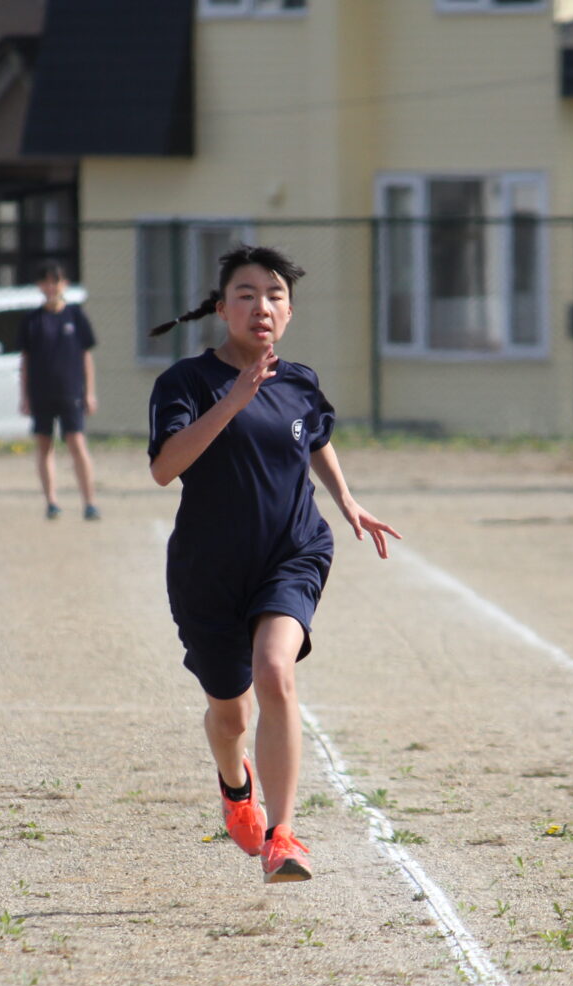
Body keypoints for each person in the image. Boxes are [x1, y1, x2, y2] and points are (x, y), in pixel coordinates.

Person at [147, 245, 400, 884]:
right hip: (208, 569)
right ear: (221, 307)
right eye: (246, 294)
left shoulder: (300, 381)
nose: (262, 306)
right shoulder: (185, 382)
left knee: (274, 671)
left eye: (275, 295)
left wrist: (347, 501)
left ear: (289, 310)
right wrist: (232, 400)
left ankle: (284, 835)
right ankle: (237, 790)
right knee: (229, 714)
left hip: (292, 551)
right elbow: (164, 467)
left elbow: (314, 438)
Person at [18, 261, 100, 520]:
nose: (51, 286)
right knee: (44, 445)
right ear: (39, 286)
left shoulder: (75, 315)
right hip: (41, 392)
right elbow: (25, 362)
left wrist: (89, 392)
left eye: (56, 281)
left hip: (71, 391)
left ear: (65, 284)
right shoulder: (33, 320)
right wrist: (25, 396)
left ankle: (89, 502)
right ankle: (52, 502)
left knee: (77, 443)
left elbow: (86, 357)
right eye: (46, 281)